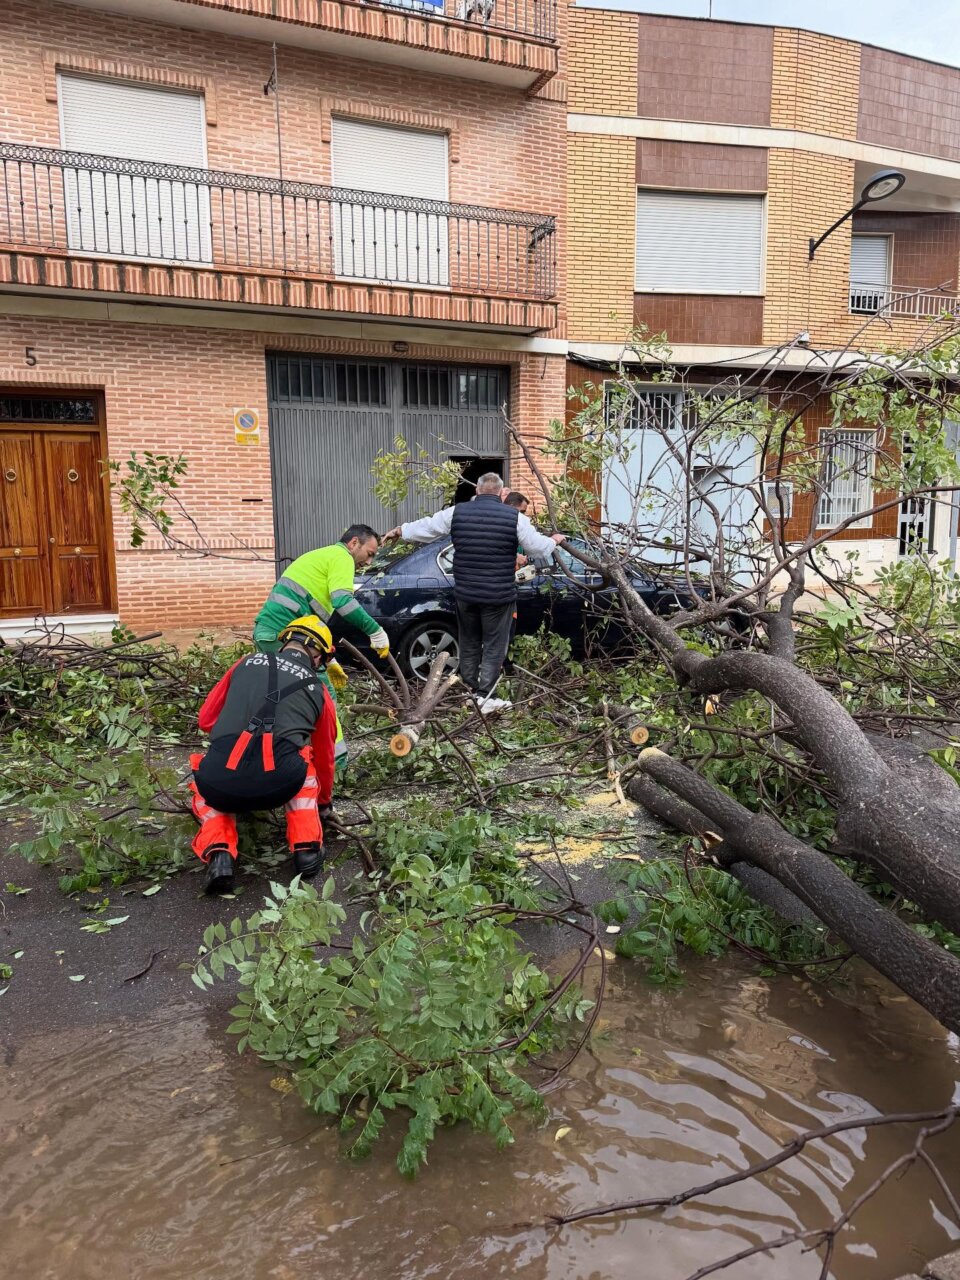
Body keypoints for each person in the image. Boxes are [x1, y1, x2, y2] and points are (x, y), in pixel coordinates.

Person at [384, 473, 565, 711]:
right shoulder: (514, 518)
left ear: (477, 491)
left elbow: (428, 526)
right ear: (501, 493)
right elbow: (538, 548)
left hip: (466, 594)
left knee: (469, 641)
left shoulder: (457, 512)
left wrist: (401, 530)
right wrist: (554, 540)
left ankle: (470, 690)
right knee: (493, 645)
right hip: (498, 596)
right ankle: (485, 696)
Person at [189, 616, 337, 895]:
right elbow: (326, 755)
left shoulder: (245, 663)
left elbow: (206, 720)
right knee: (305, 761)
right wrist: (325, 803)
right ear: (318, 656)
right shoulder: (319, 690)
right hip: (280, 784)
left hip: (221, 783)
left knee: (205, 774)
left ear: (286, 641)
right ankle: (306, 849)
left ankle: (219, 852)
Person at [252, 525, 389, 770]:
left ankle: (271, 757)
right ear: (353, 543)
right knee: (323, 695)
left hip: (273, 633)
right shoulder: (341, 558)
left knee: (278, 695)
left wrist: (327, 659)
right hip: (284, 637)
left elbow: (312, 622)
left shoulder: (323, 556)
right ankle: (334, 764)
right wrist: (375, 631)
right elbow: (343, 602)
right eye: (369, 553)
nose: (368, 562)